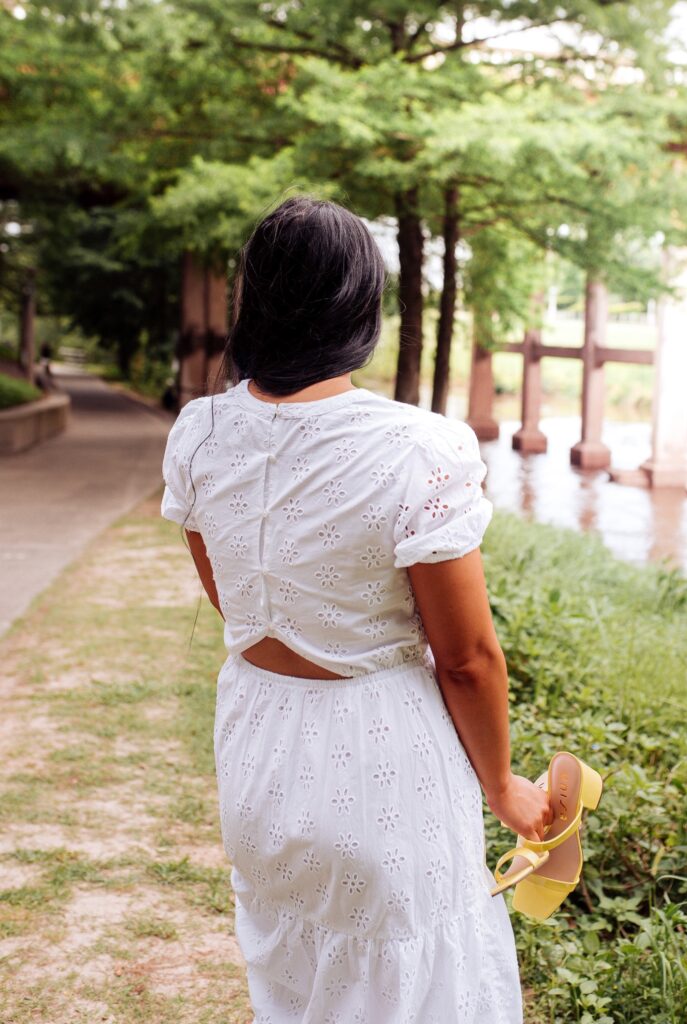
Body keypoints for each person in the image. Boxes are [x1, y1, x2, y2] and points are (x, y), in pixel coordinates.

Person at [160, 195, 552, 1023]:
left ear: (253, 298)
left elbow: (238, 606)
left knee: (296, 976)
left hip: (259, 751)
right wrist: (504, 792)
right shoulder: (419, 448)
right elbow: (466, 659)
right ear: (361, 305)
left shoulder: (198, 432)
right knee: (413, 986)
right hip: (381, 764)